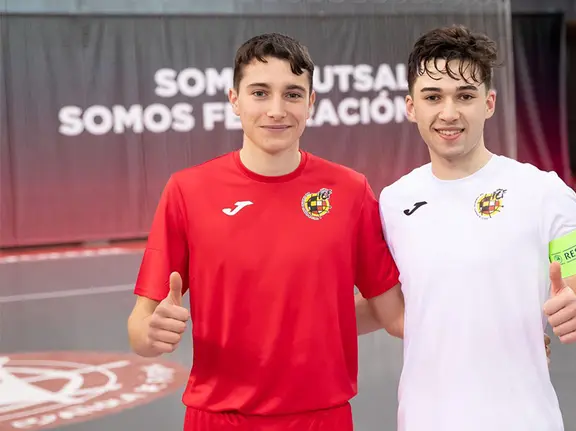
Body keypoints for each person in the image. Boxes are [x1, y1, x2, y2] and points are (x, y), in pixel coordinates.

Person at [126, 33, 406, 431]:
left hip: (320, 418)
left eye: (292, 94)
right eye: (260, 92)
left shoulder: (349, 191)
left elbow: (391, 313)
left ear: (310, 103)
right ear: (234, 100)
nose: (277, 109)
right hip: (218, 418)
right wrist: (151, 335)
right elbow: (140, 326)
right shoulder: (187, 191)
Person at [355, 25, 576, 431]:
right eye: (432, 97)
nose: (449, 112)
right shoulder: (393, 202)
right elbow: (386, 308)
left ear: (489, 102)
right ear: (411, 107)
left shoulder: (544, 192)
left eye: (464, 96)